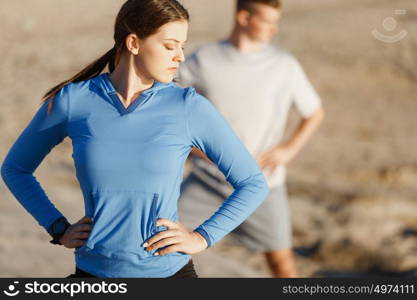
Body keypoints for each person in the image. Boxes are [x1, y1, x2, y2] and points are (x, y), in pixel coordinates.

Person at [0, 0, 269, 278]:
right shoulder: (73, 101)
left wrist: (202, 237)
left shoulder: (188, 107)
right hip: (92, 274)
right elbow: (15, 169)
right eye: (169, 45)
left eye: (182, 46)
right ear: (133, 43)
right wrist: (57, 228)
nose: (180, 57)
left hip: (169, 276)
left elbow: (252, 183)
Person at [176, 0, 324, 277]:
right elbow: (170, 109)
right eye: (267, 21)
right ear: (243, 17)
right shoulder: (204, 59)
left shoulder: (284, 65)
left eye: (275, 21)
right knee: (162, 242)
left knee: (281, 264)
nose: (274, 28)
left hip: (263, 183)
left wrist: (288, 151)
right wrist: (196, 149)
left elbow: (314, 112)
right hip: (207, 181)